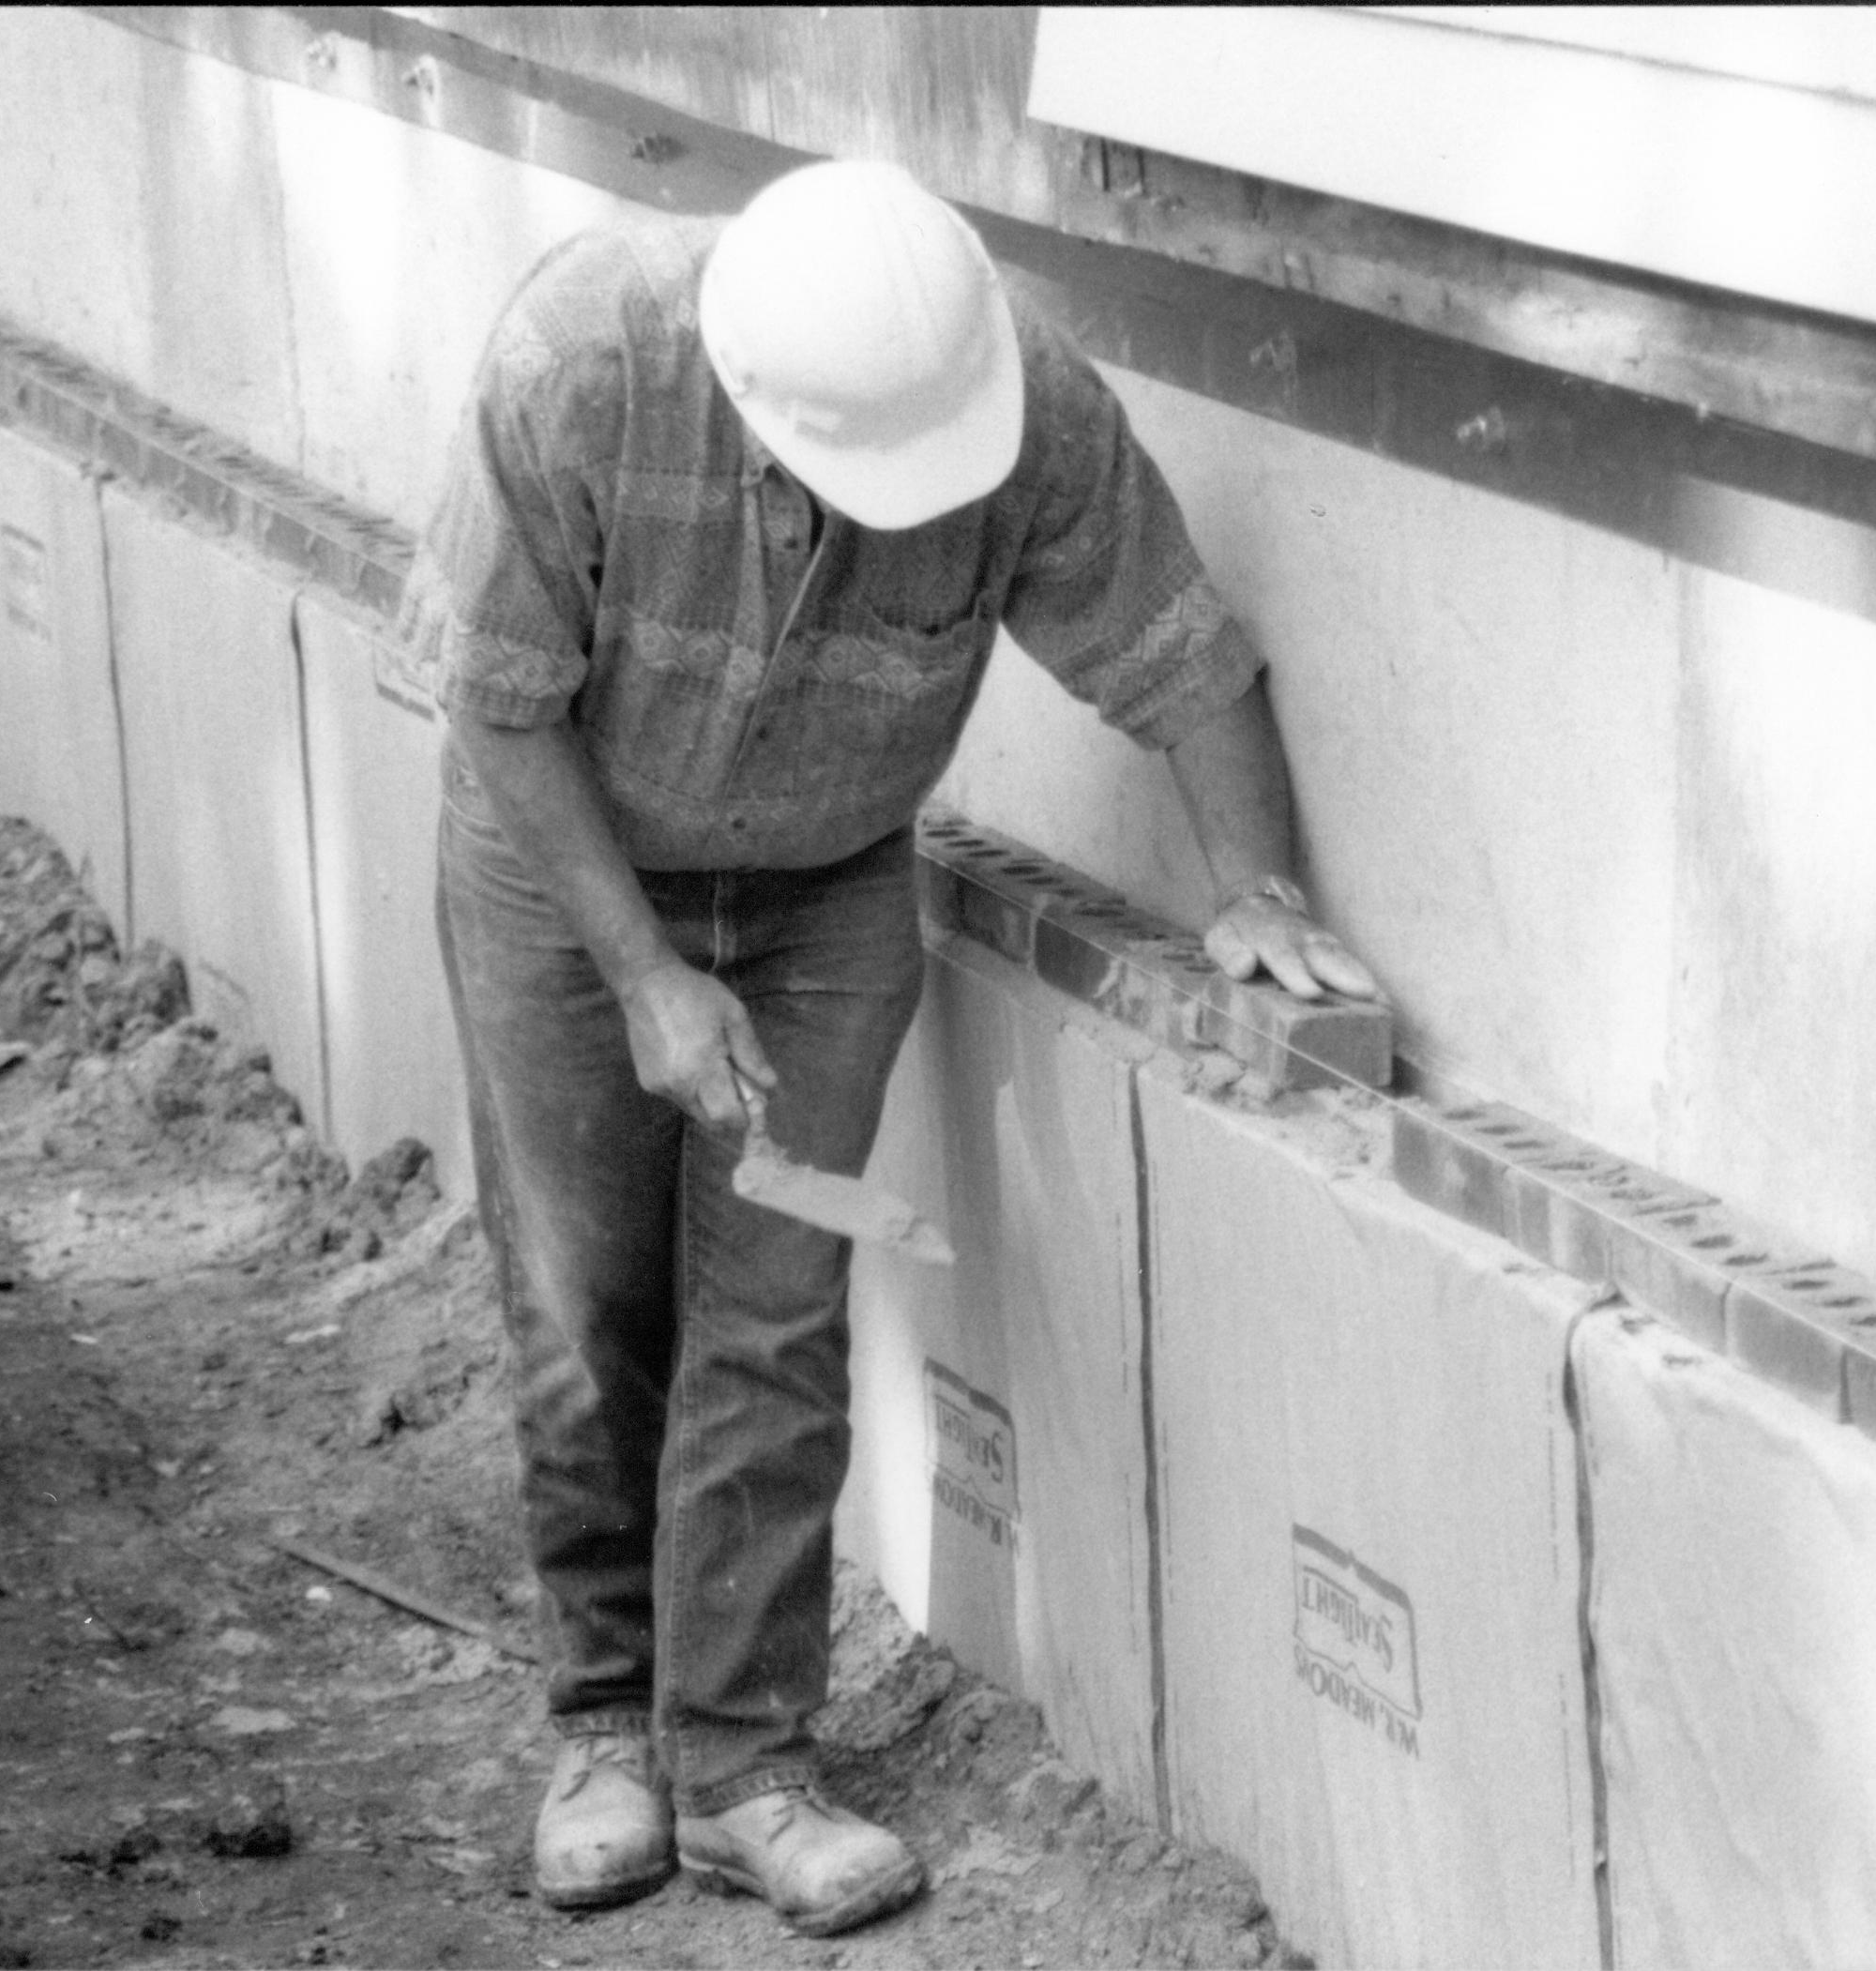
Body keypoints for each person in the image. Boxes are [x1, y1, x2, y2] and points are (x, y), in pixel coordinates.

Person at [403, 158, 1381, 1938]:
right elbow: (493, 698)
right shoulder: (579, 363)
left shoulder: (1014, 398)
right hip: (562, 876)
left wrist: (1261, 885)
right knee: (586, 1300)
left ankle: (745, 1766)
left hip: (828, 895)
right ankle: (604, 1726)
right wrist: (639, 973)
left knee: (774, 1310)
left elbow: (1180, 649)